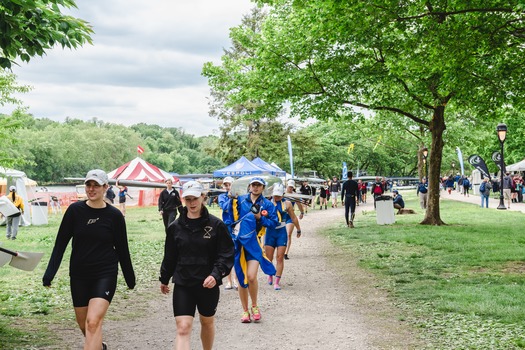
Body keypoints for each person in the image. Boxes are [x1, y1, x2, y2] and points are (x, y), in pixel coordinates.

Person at [42, 169, 135, 350]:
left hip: (105, 273)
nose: (91, 189)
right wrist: (49, 273)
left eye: (96, 186)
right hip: (79, 274)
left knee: (93, 322)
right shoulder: (75, 211)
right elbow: (60, 243)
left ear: (105, 187)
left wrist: (129, 278)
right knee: (84, 324)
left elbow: (123, 249)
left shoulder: (114, 216)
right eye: (88, 185)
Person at [159, 181, 234, 350]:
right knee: (183, 327)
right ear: (183, 199)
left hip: (207, 284)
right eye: (188, 199)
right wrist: (164, 278)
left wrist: (215, 275)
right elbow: (170, 256)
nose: (192, 203)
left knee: (206, 322)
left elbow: (226, 255)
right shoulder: (175, 227)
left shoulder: (216, 225)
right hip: (183, 283)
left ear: (203, 198)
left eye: (195, 198)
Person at [230, 177, 278, 323]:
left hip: (255, 243)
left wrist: (259, 218)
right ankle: (245, 311)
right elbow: (231, 217)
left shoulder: (268, 204)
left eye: (259, 185)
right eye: (253, 185)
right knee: (240, 277)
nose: (256, 188)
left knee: (251, 276)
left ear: (263, 188)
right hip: (239, 243)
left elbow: (274, 223)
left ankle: (255, 306)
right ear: (249, 186)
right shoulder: (241, 200)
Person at [265, 183, 301, 290]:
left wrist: (298, 229)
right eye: (275, 195)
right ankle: (270, 275)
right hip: (270, 232)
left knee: (280, 258)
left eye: (279, 195)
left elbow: (293, 217)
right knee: (269, 258)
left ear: (283, 194)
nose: (276, 197)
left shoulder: (287, 204)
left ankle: (277, 281)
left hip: (281, 232)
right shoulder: (267, 203)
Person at [217, 176, 238, 290]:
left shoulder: (238, 197)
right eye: (225, 185)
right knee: (227, 254)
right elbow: (224, 207)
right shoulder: (222, 196)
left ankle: (236, 279)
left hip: (237, 226)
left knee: (237, 253)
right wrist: (230, 198)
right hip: (227, 227)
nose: (227, 186)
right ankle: (229, 281)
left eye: (229, 184)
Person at [284, 180, 304, 260]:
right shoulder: (281, 194)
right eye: (289, 186)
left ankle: (286, 253)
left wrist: (302, 212)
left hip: (290, 216)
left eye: (292, 187)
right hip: (281, 217)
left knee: (288, 234)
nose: (291, 188)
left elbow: (299, 204)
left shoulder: (295, 196)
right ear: (287, 186)